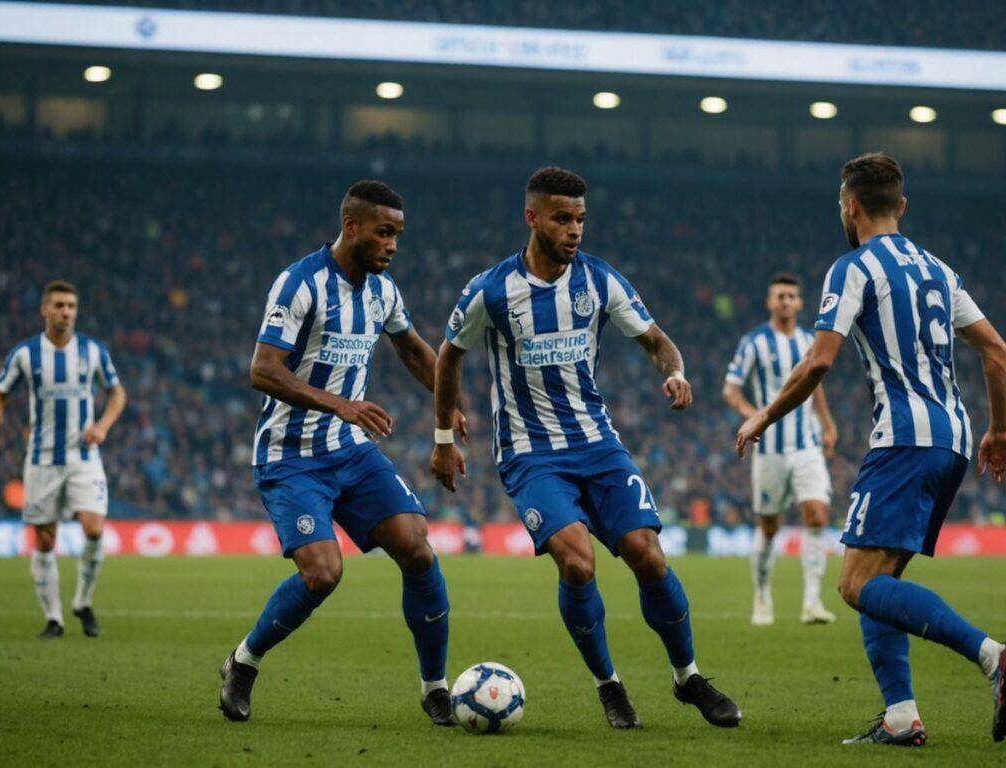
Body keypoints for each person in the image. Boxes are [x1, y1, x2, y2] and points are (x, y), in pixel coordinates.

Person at [431, 166, 741, 730]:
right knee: (577, 563)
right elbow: (449, 355)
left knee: (648, 555)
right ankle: (609, 686)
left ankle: (687, 677)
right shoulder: (491, 290)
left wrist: (673, 372)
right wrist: (444, 437)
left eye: (580, 219)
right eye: (561, 218)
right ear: (532, 218)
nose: (574, 230)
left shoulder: (600, 281)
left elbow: (656, 340)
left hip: (598, 446)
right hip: (530, 454)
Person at [736, 152, 1006, 746]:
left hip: (904, 439)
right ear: (901, 206)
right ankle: (901, 718)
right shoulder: (940, 269)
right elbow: (996, 351)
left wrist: (763, 415)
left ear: (850, 206)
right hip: (955, 438)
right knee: (879, 582)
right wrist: (1000, 430)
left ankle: (994, 656)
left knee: (856, 585)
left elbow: (820, 359)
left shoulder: (852, 267)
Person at [218, 180, 465, 726]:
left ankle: (435, 687)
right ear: (351, 226)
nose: (393, 244)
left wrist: (446, 407)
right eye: (384, 232)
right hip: (290, 454)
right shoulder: (299, 283)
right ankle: (244, 661)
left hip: (350, 451)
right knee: (323, 573)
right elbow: (262, 369)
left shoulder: (384, 292)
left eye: (398, 234)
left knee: (418, 549)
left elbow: (414, 350)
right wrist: (339, 404)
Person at [0, 280, 126, 638]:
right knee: (45, 540)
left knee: (93, 527)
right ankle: (54, 619)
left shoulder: (92, 351)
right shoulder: (25, 354)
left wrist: (103, 425)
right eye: (59, 305)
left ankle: (82, 601)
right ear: (44, 309)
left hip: (84, 456)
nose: (66, 312)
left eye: (71, 306)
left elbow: (117, 393)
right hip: (42, 459)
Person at [723, 273, 838, 626]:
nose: (786, 301)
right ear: (770, 303)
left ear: (800, 303)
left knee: (817, 515)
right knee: (769, 526)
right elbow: (731, 389)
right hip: (769, 447)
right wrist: (754, 415)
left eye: (791, 296)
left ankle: (812, 602)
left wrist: (828, 424)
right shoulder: (753, 341)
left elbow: (814, 386)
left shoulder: (809, 339)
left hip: (806, 446)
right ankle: (761, 596)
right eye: (780, 296)